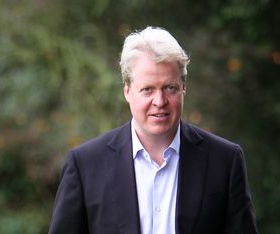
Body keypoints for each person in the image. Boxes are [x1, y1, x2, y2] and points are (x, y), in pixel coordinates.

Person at [48, 26, 258, 234]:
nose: (160, 101)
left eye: (170, 88)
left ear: (184, 88)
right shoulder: (85, 165)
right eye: (147, 89)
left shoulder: (224, 161)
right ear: (127, 91)